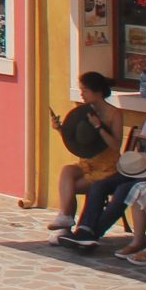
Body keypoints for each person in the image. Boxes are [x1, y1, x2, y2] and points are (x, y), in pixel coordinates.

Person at [60, 68, 146, 253]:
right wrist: (134, 163)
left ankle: (91, 235)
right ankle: (84, 230)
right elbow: (144, 144)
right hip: (142, 169)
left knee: (122, 191)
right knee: (100, 186)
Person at [46, 72, 124, 232]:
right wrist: (60, 130)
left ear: (98, 92)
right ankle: (66, 218)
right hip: (87, 162)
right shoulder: (83, 111)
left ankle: (65, 225)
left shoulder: (114, 114)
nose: (82, 94)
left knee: (71, 186)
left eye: (85, 90)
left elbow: (116, 145)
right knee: (67, 171)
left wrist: (99, 127)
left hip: (106, 168)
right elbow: (78, 143)